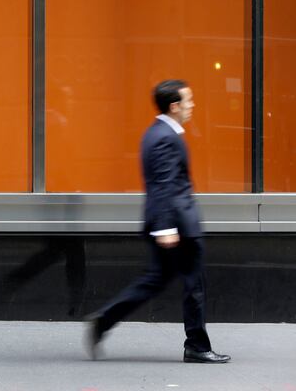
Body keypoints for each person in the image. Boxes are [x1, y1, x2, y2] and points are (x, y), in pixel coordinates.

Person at [85, 79, 230, 364]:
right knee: (194, 286)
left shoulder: (158, 132)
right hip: (177, 226)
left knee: (154, 281)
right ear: (174, 106)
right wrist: (166, 228)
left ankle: (103, 320)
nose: (193, 106)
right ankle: (197, 346)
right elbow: (163, 185)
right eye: (189, 101)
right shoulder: (165, 137)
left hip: (170, 223)